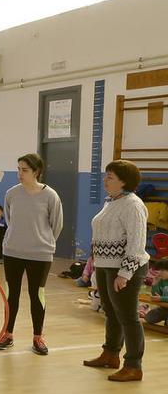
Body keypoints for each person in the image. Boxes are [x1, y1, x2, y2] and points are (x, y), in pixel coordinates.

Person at [83, 160, 150, 381]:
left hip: (124, 268)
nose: (105, 180)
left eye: (110, 177)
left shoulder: (133, 205)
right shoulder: (111, 201)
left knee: (128, 316)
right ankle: (110, 354)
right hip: (105, 265)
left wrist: (125, 273)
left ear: (124, 182)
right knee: (111, 312)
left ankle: (134, 365)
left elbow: (137, 244)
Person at [0, 153, 63, 355]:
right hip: (13, 252)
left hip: (40, 255)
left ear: (36, 172)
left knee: (37, 295)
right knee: (12, 294)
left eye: (24, 170)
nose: (20, 173)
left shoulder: (50, 195)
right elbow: (10, 219)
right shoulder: (11, 193)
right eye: (18, 169)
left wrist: (43, 243)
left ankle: (38, 337)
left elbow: (56, 225)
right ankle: (7, 334)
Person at [142, 259, 168, 326]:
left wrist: (161, 298)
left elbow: (160, 298)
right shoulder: (162, 281)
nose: (159, 273)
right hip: (163, 308)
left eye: (162, 270)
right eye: (159, 270)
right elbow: (155, 294)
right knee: (148, 318)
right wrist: (155, 283)